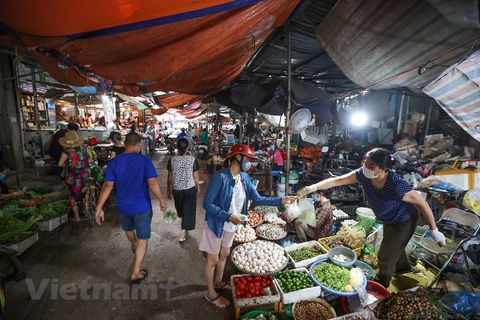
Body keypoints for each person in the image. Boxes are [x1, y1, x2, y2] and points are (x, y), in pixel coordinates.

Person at [297, 148, 446, 289]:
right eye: (364, 163)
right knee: (394, 246)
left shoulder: (396, 184)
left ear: (383, 169)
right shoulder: (364, 175)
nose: (365, 167)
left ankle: (382, 282)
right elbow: (338, 180)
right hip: (387, 218)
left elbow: (422, 203)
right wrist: (313, 188)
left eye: (371, 165)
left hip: (404, 220)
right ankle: (402, 268)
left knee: (384, 255)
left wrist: (434, 230)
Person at [199, 144, 297, 308]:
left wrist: (281, 200)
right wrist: (229, 216)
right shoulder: (220, 177)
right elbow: (207, 204)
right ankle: (211, 294)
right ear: (238, 157)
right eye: (248, 159)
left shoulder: (244, 177)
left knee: (224, 254)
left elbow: (258, 199)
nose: (250, 163)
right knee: (213, 259)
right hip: (216, 223)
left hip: (232, 224)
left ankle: (218, 282)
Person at [95, 133, 167, 285]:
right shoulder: (144, 160)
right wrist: (161, 200)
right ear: (138, 144)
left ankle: (134, 244)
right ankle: (136, 272)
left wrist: (99, 208)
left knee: (128, 228)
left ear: (125, 144)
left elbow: (107, 185)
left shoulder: (114, 162)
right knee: (143, 238)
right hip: (141, 206)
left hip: (123, 205)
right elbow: (152, 183)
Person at [167, 138, 200, 242]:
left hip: (176, 189)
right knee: (187, 210)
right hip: (189, 188)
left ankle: (183, 225)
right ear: (187, 149)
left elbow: (169, 178)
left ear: (177, 148)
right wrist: (198, 186)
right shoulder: (192, 160)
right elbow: (195, 176)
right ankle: (182, 234)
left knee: (180, 209)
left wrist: (168, 190)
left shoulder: (172, 160)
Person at [58, 131, 91, 222]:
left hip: (73, 177)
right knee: (84, 193)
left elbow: (60, 164)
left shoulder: (66, 151)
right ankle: (87, 211)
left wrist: (68, 166)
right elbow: (89, 158)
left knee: (73, 196)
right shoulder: (84, 148)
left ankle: (77, 217)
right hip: (85, 174)